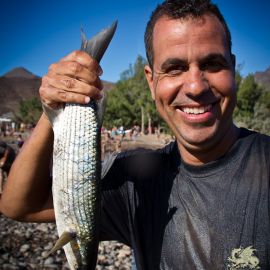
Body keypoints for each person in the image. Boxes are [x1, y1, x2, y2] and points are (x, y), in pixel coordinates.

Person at [0, 0, 269, 269]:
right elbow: (19, 206)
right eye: (175, 68)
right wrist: (55, 108)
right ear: (151, 82)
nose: (196, 87)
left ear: (233, 69)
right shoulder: (135, 181)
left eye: (212, 64)